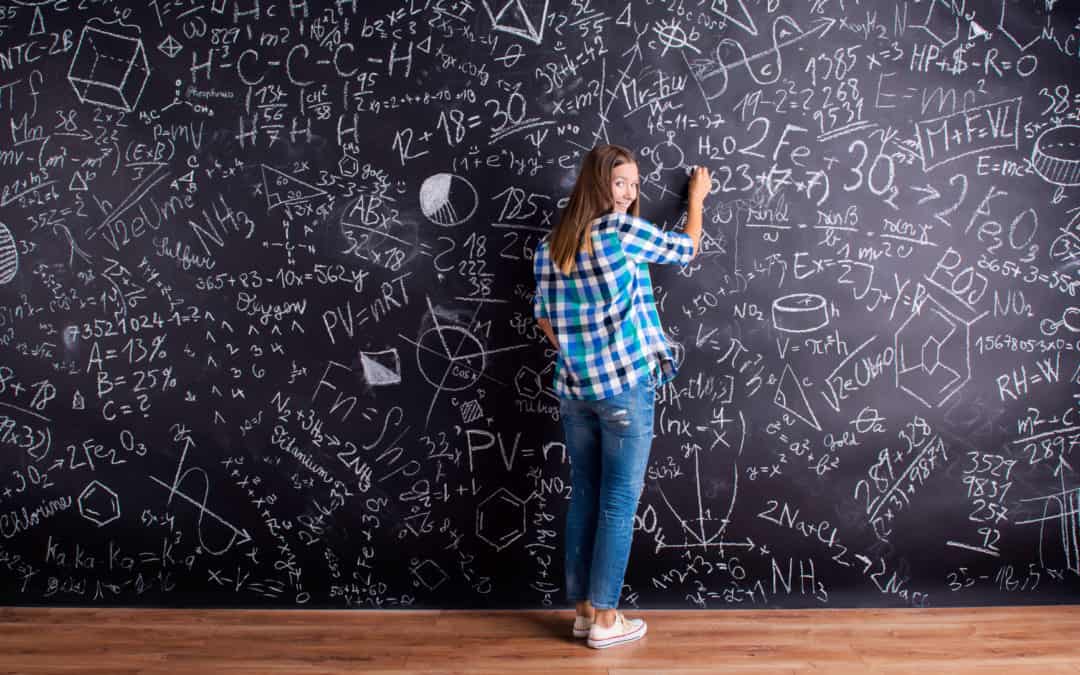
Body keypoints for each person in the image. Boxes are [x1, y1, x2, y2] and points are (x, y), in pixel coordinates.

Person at [532, 144, 710, 649]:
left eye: (634, 183)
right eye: (620, 183)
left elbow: (545, 318)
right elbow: (684, 249)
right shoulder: (619, 231)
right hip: (623, 388)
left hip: (574, 390)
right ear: (598, 186)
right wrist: (696, 198)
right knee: (616, 501)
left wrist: (582, 353)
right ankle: (608, 621)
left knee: (585, 494)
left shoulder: (551, 246)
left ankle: (585, 613)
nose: (630, 193)